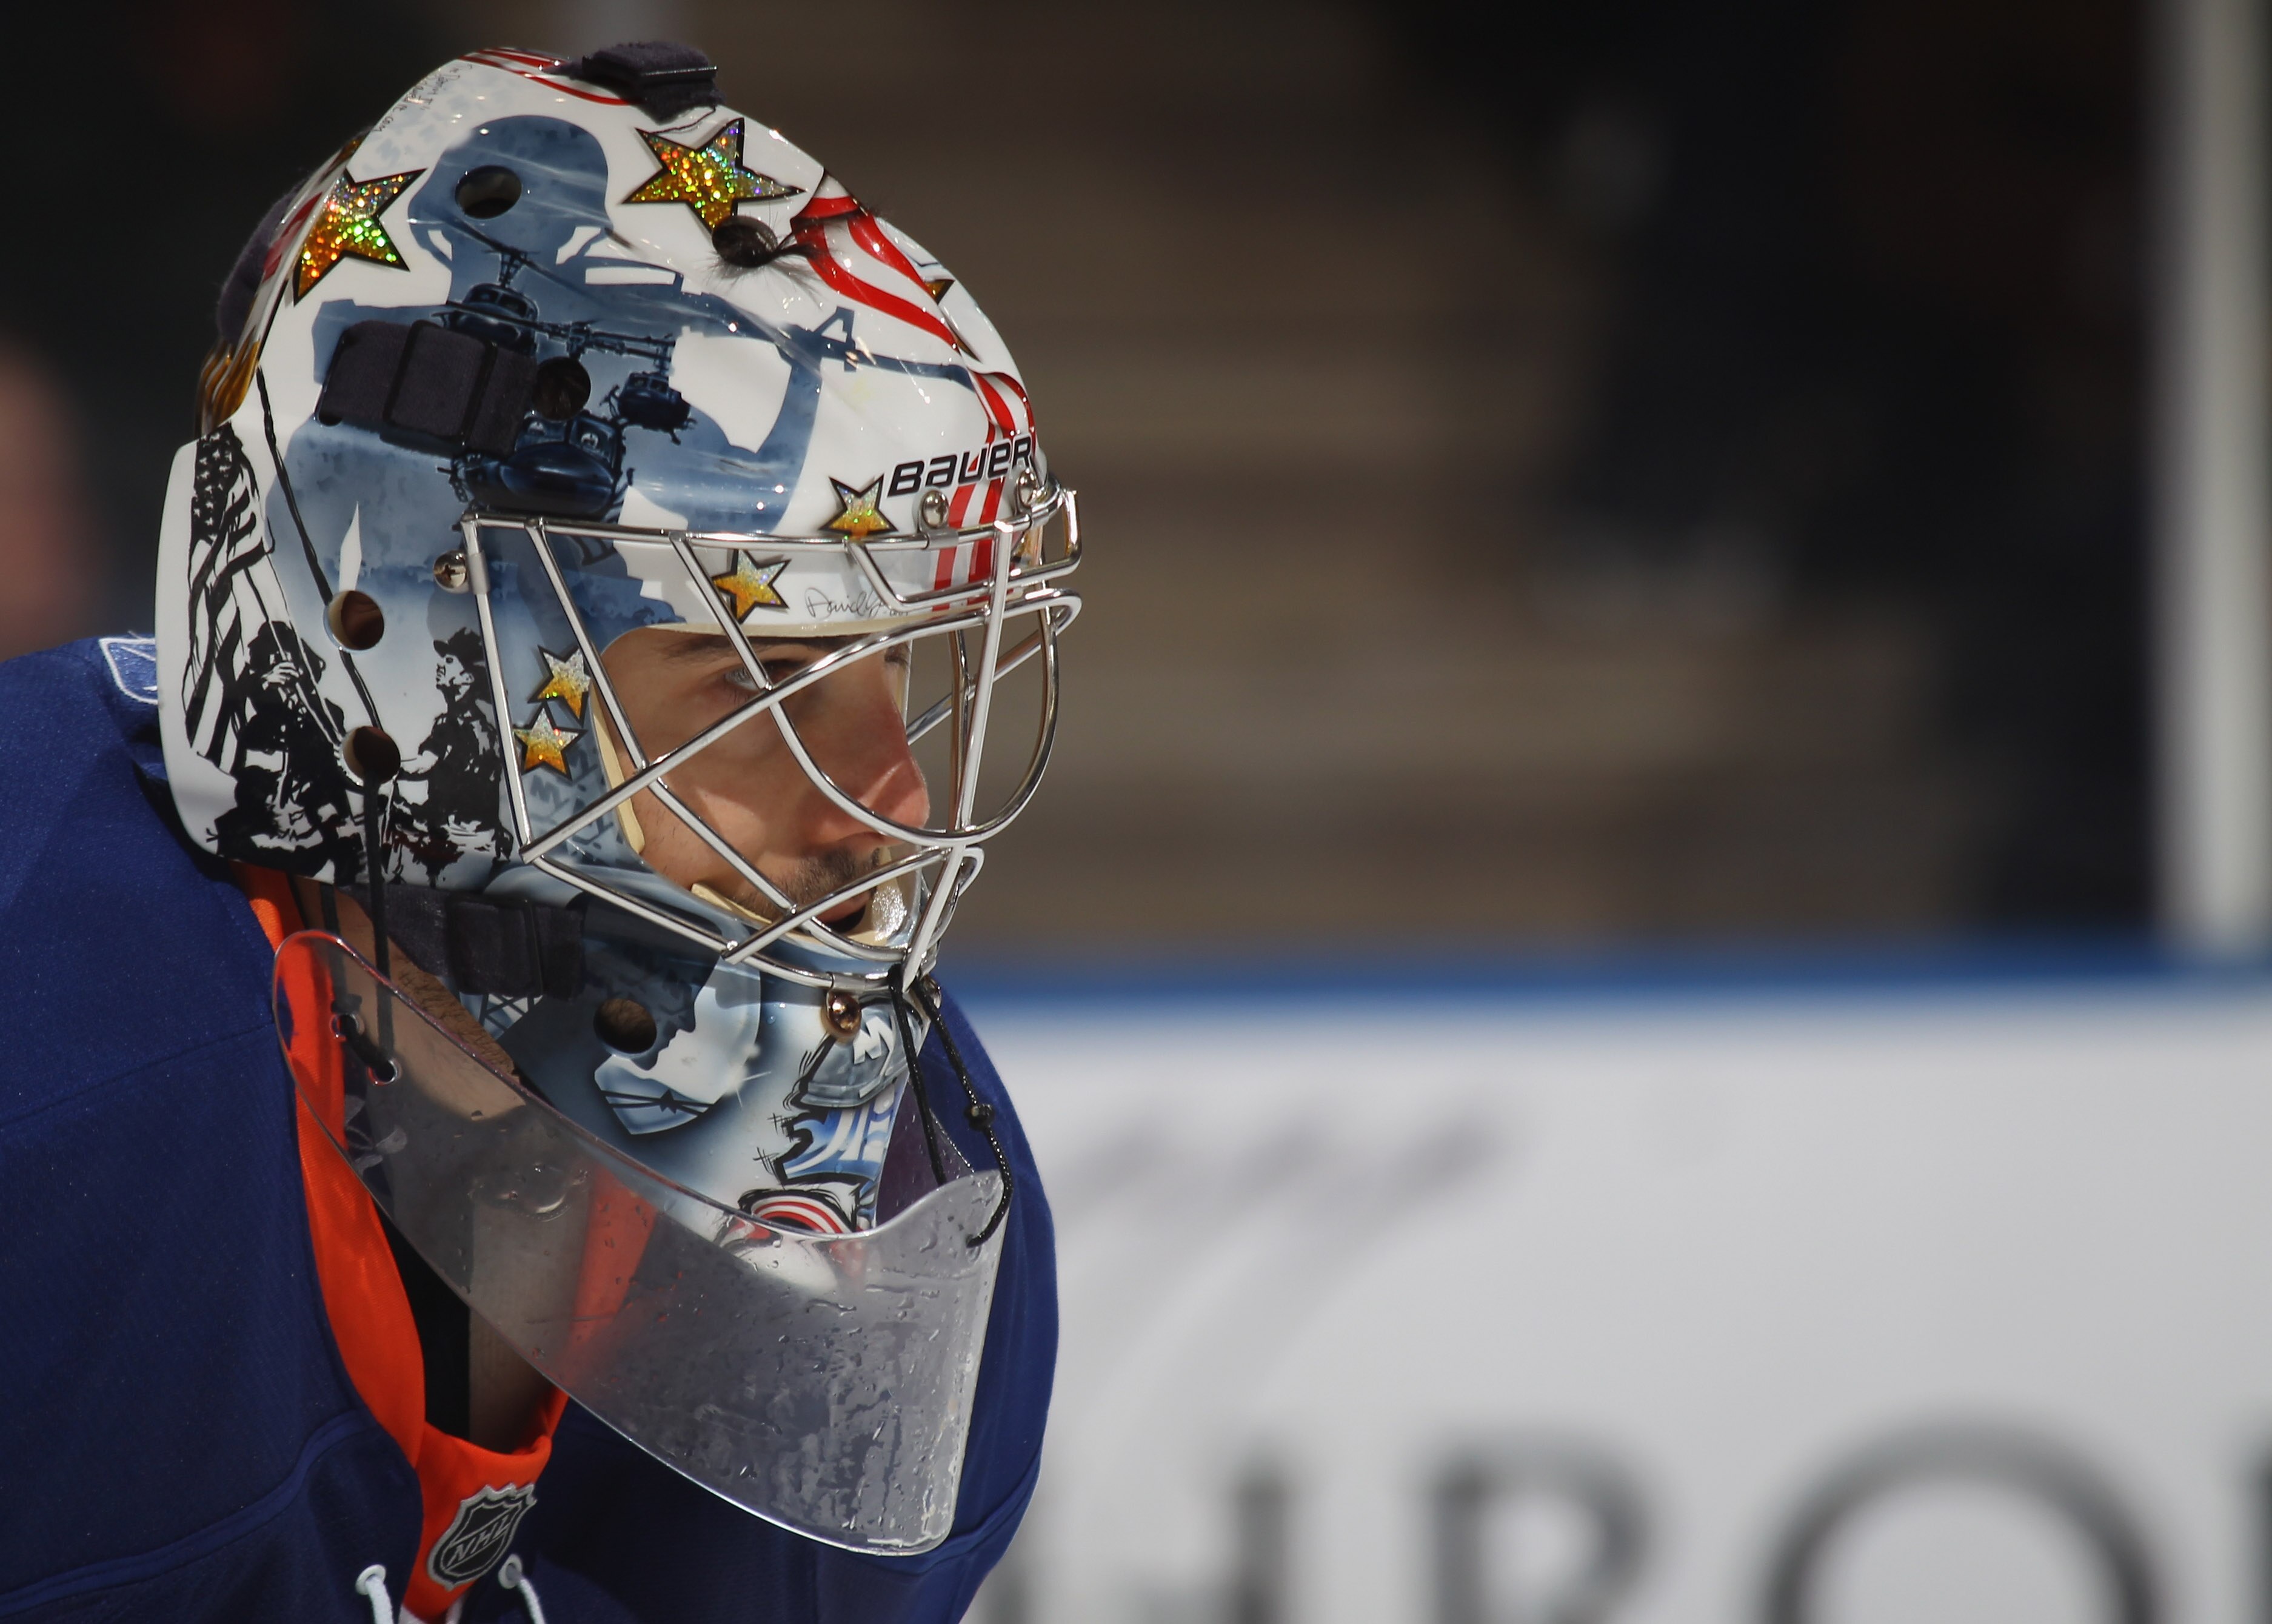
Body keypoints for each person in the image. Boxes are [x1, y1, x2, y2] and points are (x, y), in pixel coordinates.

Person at [0, 41, 1077, 1624]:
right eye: (762, 680)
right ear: (398, 651)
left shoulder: (897, 1194)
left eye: (899, 671)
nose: (892, 806)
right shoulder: (64, 1090)